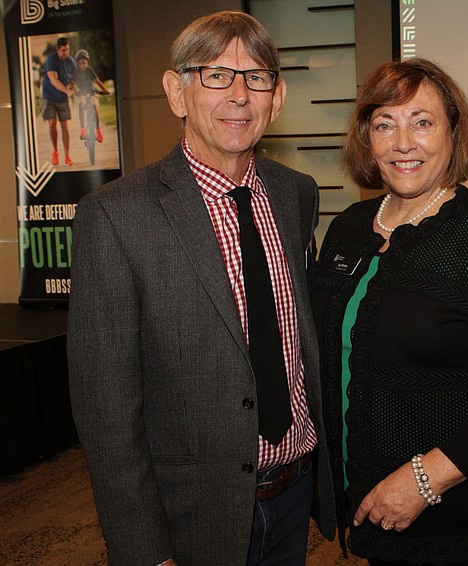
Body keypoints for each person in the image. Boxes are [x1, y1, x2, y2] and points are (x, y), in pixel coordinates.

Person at [68, 11, 334, 566]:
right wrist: (143, 549)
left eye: (256, 77)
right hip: (189, 517)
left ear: (277, 97)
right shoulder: (116, 216)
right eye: (216, 75)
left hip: (294, 492)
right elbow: (106, 408)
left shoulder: (295, 195)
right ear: (176, 91)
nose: (239, 95)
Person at [310, 58, 468, 566]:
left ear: (453, 133)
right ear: (367, 139)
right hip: (366, 511)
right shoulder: (348, 229)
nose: (403, 142)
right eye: (385, 124)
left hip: (458, 524)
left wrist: (423, 481)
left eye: (422, 122)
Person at [42, 37, 76, 166]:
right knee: (52, 123)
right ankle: (55, 152)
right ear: (57, 50)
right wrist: (67, 91)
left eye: (67, 50)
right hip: (50, 96)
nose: (65, 53)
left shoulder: (70, 62)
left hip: (62, 99)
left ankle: (67, 156)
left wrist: (76, 89)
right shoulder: (51, 60)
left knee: (64, 126)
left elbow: (74, 80)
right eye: (62, 50)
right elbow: (53, 80)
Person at [73, 49, 109, 143]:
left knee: (94, 106)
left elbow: (97, 80)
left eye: (84, 63)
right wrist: (75, 91)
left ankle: (98, 130)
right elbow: (73, 83)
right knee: (81, 105)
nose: (83, 65)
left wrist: (104, 89)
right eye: (80, 63)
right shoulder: (76, 72)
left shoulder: (90, 70)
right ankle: (83, 130)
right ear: (78, 63)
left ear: (87, 62)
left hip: (91, 91)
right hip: (82, 93)